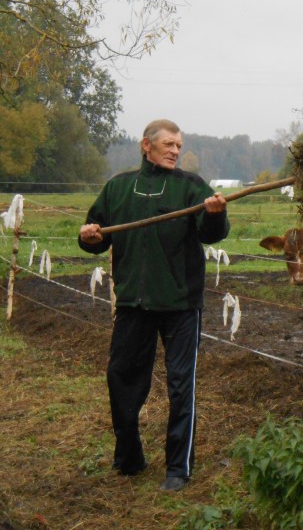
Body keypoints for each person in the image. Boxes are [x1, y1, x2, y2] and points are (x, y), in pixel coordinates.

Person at [78, 119, 229, 492]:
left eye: (179, 145)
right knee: (121, 379)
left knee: (181, 387)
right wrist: (88, 235)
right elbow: (96, 236)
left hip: (181, 305)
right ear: (147, 145)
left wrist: (214, 214)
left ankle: (178, 468)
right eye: (169, 144)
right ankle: (129, 458)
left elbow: (211, 234)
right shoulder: (118, 188)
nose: (176, 151)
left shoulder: (191, 187)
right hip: (133, 302)